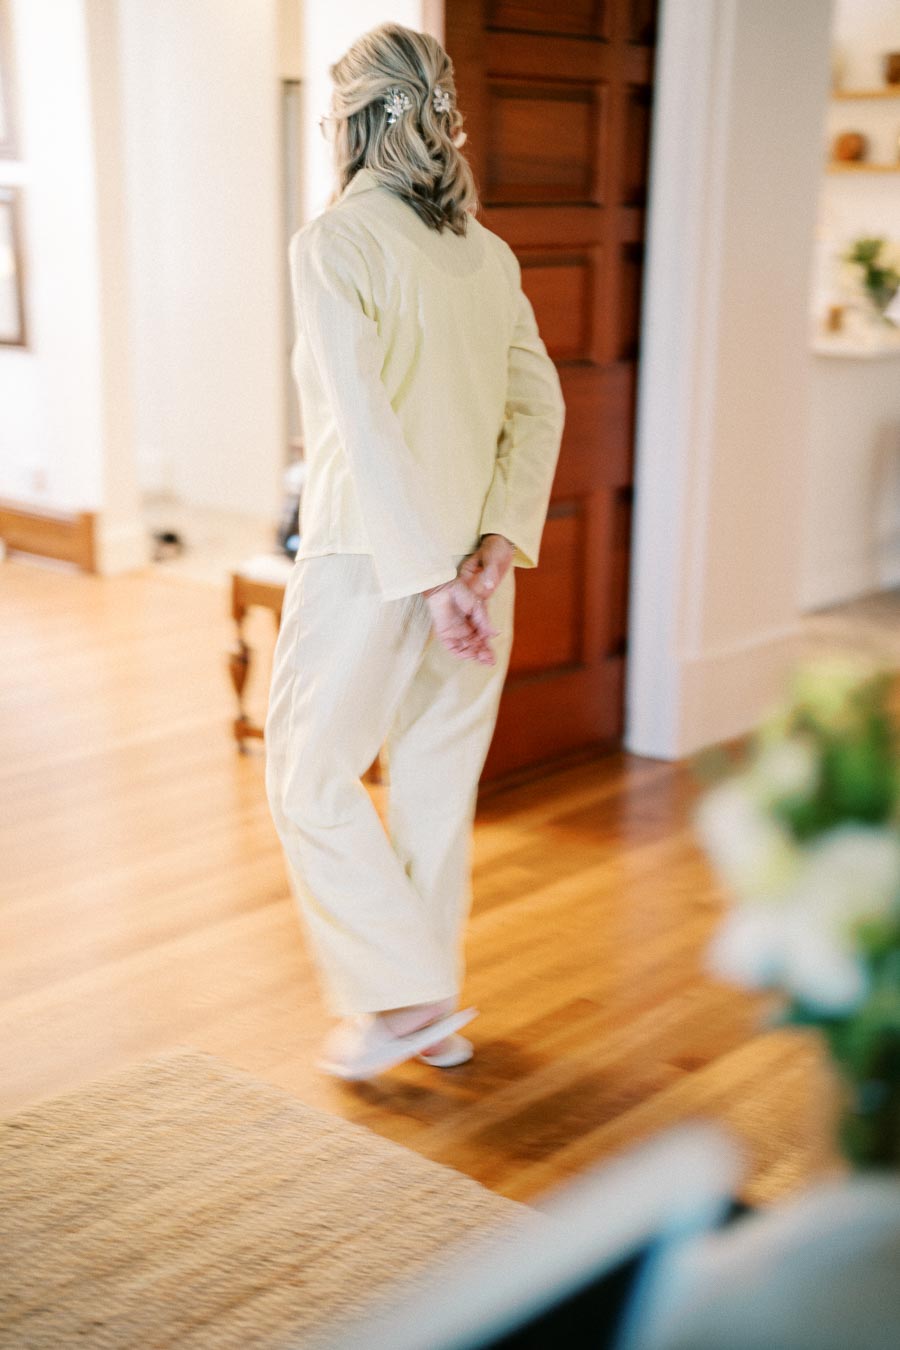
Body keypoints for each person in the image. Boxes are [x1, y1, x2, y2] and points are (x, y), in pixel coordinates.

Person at [264, 21, 565, 1081]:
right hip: (476, 574)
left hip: (369, 562)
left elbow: (363, 425)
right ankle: (422, 1000)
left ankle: (404, 1001)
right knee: (434, 784)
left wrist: (437, 580)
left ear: (347, 122)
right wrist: (494, 546)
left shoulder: (332, 244)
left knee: (306, 774)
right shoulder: (485, 254)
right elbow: (540, 404)